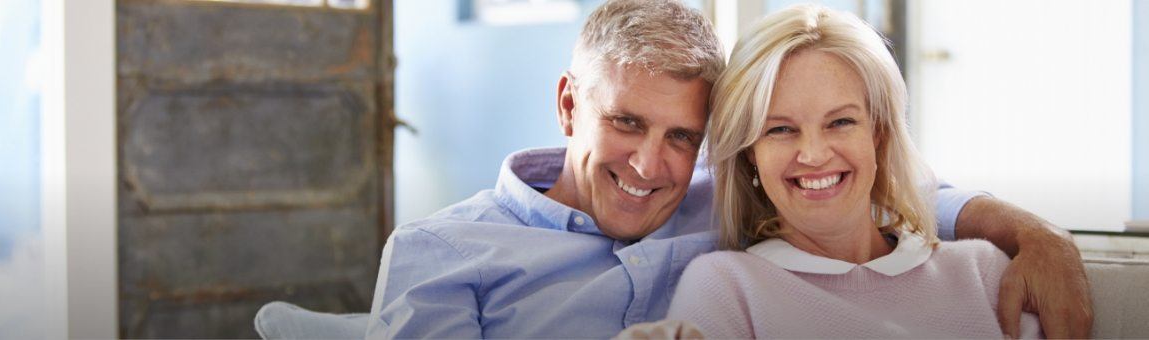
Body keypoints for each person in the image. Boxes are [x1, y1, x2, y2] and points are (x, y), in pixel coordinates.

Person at [365, 0, 1091, 338]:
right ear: (566, 104)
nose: (651, 165)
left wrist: (1035, 235)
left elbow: (873, 188)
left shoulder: (728, 197)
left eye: (683, 136)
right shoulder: (439, 254)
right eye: (625, 123)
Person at [624, 5, 1045, 338]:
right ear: (751, 152)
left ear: (877, 132)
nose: (813, 154)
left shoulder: (983, 271)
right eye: (781, 129)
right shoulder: (725, 288)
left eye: (840, 122)